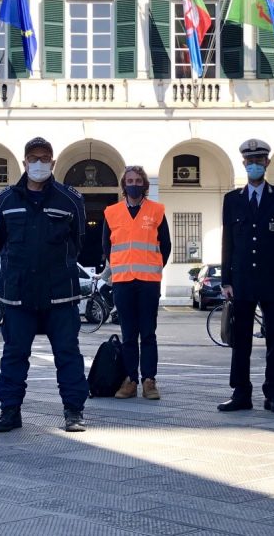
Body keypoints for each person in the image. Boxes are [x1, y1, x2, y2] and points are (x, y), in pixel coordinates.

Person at [0, 137, 88, 434]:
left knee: (68, 354)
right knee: (14, 354)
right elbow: (0, 241)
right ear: (24, 162)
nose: (39, 163)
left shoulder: (70, 199)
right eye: (34, 158)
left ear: (53, 163)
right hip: (18, 292)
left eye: (45, 158)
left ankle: (74, 411)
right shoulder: (6, 199)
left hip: (60, 292)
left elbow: (78, 241)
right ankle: (9, 411)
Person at [218, 138, 274, 414]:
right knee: (240, 340)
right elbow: (227, 241)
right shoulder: (232, 200)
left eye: (259, 160)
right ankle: (241, 392)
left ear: (267, 163)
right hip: (241, 281)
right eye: (249, 161)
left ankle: (273, 393)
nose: (254, 165)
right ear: (244, 164)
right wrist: (225, 279)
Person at [101, 165, 171, 400]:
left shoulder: (157, 210)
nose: (133, 184)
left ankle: (149, 381)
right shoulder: (111, 212)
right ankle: (131, 379)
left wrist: (154, 267)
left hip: (149, 281)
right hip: (122, 281)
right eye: (129, 180)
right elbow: (106, 247)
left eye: (138, 180)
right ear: (123, 185)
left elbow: (166, 246)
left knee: (148, 333)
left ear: (144, 184)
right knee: (128, 334)